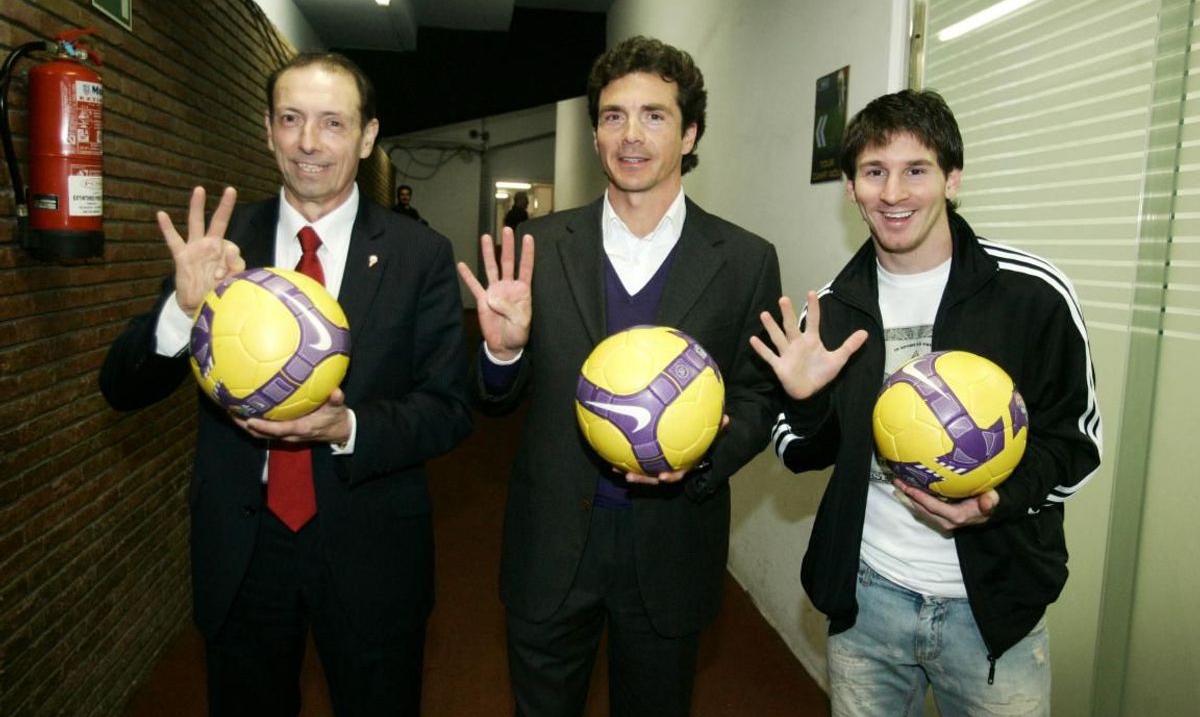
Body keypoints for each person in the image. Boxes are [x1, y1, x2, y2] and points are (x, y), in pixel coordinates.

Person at [100, 52, 471, 716]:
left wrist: (348, 427)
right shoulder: (223, 245)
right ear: (268, 130)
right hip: (244, 549)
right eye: (291, 119)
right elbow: (121, 387)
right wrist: (183, 308)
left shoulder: (420, 254)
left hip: (371, 547)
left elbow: (448, 408)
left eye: (333, 122)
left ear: (367, 136)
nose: (308, 142)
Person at [457, 36, 782, 716]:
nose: (631, 135)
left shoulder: (745, 259)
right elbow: (494, 400)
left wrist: (702, 456)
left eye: (654, 116)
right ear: (596, 133)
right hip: (552, 543)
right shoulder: (539, 248)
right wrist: (503, 353)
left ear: (690, 133)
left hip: (672, 545)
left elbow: (757, 394)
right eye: (613, 116)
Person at [751, 89, 1102, 716]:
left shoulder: (1031, 294)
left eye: (916, 170)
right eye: (874, 172)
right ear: (851, 188)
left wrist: (996, 501)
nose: (893, 193)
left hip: (993, 612)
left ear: (952, 178)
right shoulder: (831, 310)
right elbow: (804, 454)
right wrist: (803, 403)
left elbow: (1076, 444)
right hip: (868, 603)